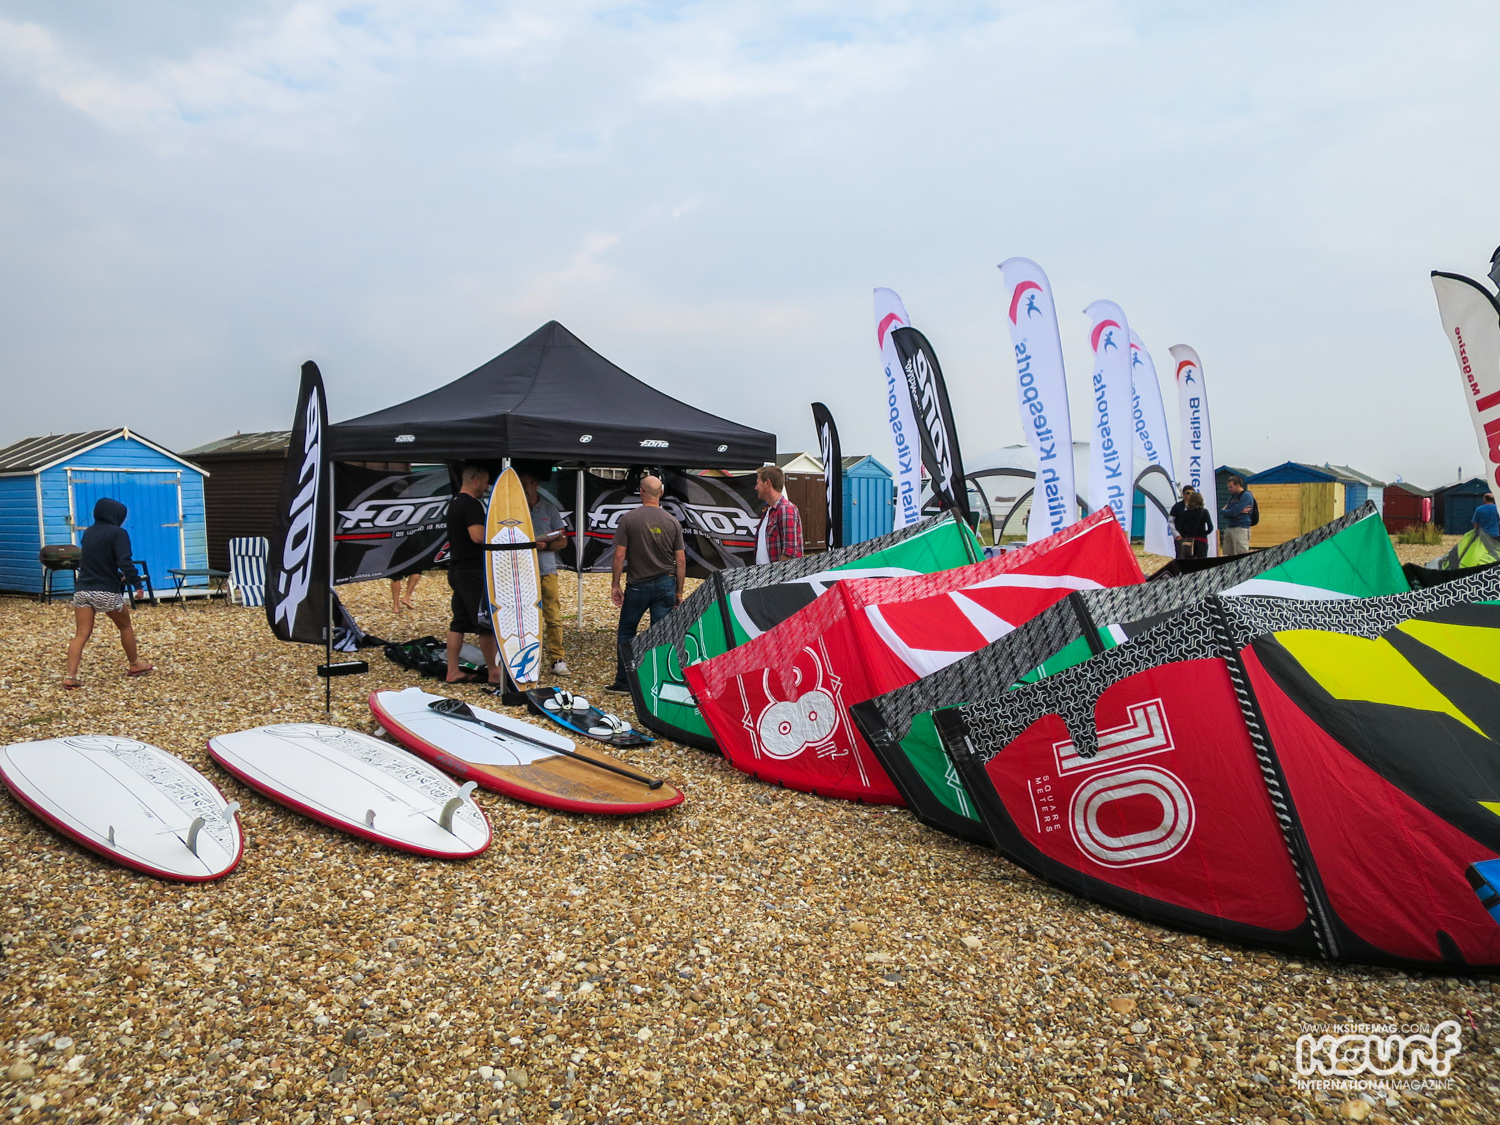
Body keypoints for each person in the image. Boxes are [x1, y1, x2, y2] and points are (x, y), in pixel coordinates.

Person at [604, 475, 685, 694]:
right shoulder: (672, 521)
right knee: (661, 635)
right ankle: (658, 683)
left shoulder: (629, 519)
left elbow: (619, 556)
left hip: (637, 586)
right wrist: (678, 591)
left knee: (627, 633)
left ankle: (623, 682)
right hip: (665, 585)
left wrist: (615, 585)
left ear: (641, 491)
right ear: (661, 492)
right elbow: (681, 560)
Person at [63, 498, 154, 689]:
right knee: (125, 626)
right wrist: (136, 583)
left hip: (83, 590)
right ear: (116, 515)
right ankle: (135, 664)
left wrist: (117, 575)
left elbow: (96, 562)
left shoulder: (88, 533)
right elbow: (124, 560)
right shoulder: (118, 533)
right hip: (106, 592)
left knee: (81, 634)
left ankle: (70, 676)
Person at [444, 464, 502, 686]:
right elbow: (477, 536)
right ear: (475, 480)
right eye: (486, 482)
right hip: (472, 571)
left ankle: (452, 671)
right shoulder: (471, 505)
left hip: (457, 568)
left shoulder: (455, 503)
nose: (487, 487)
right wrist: (499, 534)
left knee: (458, 621)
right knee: (485, 621)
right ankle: (494, 672)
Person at [517, 465, 571, 676]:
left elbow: (563, 541)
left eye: (524, 485)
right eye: (518, 486)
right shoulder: (512, 510)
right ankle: (525, 660)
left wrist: (546, 545)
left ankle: (557, 659)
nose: (522, 489)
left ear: (535, 485)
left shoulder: (549, 509)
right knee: (523, 616)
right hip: (521, 572)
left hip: (546, 570)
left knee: (553, 616)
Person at [753, 465, 803, 563]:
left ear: (767, 483)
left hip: (779, 577)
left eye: (758, 483)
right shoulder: (768, 511)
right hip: (764, 576)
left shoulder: (786, 509)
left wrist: (776, 577)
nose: (756, 488)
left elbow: (789, 552)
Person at [1219, 475, 1255, 556]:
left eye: (1231, 487)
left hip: (1240, 528)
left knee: (1240, 553)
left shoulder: (1246, 495)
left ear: (1238, 485)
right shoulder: (1232, 497)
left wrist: (1229, 511)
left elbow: (1233, 512)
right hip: (1230, 527)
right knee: (1227, 554)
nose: (1229, 489)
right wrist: (1225, 511)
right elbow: (1225, 513)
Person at [1176, 492, 1214, 559]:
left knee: (1189, 562)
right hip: (1202, 540)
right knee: (1201, 563)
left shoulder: (1185, 513)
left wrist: (1186, 535)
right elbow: (1210, 527)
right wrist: (1204, 533)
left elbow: (1180, 527)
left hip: (1189, 540)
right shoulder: (1204, 512)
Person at [1168, 485, 1196, 558]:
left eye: (1192, 493)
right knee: (1181, 558)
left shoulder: (1196, 507)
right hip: (1180, 537)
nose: (1190, 495)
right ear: (1183, 494)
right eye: (1188, 493)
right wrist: (1176, 534)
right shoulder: (1177, 506)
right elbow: (1170, 521)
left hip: (1193, 537)